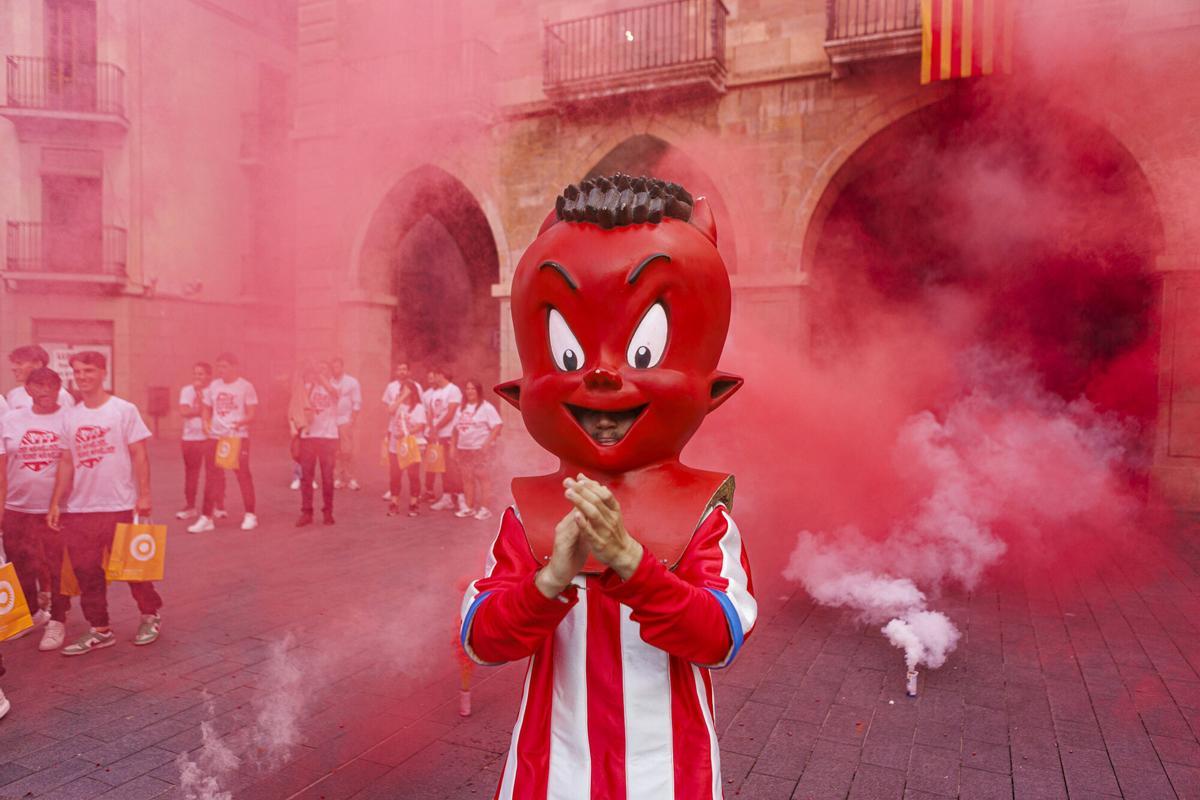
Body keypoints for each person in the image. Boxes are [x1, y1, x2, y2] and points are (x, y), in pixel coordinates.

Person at [460, 175, 755, 797]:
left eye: (642, 352)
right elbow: (481, 640)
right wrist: (549, 579)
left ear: (713, 390)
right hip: (550, 772)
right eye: (569, 355)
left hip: (667, 776)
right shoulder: (526, 516)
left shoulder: (706, 517)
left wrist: (631, 562)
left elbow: (719, 638)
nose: (599, 375)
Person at [48, 350, 163, 655]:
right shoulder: (71, 416)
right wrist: (57, 501)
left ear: (102, 373)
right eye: (77, 372)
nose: (82, 377)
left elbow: (139, 454)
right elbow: (66, 462)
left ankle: (150, 615)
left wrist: (145, 494)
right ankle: (100, 629)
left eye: (88, 371)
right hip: (80, 509)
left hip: (119, 505)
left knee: (133, 569)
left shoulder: (123, 410)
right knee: (86, 572)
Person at [1, 368, 71, 651]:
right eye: (38, 386)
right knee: (19, 564)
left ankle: (58, 619)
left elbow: (72, 464)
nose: (45, 391)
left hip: (54, 508)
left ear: (58, 388)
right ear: (27, 389)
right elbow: (2, 467)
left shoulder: (69, 418)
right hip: (17, 507)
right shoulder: (11, 420)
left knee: (56, 566)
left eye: (50, 385)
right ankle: (32, 614)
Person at [188, 352, 258, 533]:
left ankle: (250, 514)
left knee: (242, 475)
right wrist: (205, 422)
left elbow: (252, 414)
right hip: (216, 437)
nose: (221, 370)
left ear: (234, 367)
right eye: (219, 366)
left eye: (224, 366)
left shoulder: (245, 386)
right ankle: (206, 518)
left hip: (237, 437)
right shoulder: (214, 385)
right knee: (211, 477)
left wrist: (240, 423)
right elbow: (206, 407)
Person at [451, 379, 502, 521]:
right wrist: (453, 446)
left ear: (478, 391)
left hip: (479, 449)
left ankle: (485, 509)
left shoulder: (486, 407)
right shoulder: (462, 408)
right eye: (467, 389)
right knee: (467, 478)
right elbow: (455, 429)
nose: (470, 391)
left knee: (483, 478)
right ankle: (469, 507)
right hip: (464, 449)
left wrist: (487, 444)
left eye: (473, 389)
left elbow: (497, 425)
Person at [297, 362, 339, 527]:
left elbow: (334, 393)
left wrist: (320, 377)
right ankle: (306, 512)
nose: (320, 372)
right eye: (318, 368)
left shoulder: (334, 386)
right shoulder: (308, 387)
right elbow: (299, 405)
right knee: (306, 477)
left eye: (324, 369)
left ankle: (328, 511)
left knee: (327, 477)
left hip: (328, 438)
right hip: (309, 437)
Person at [176, 362, 217, 521]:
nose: (197, 377)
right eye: (195, 373)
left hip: (209, 437)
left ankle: (217, 506)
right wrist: (200, 410)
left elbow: (212, 412)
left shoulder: (213, 391)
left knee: (213, 474)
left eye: (201, 374)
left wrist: (199, 405)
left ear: (209, 376)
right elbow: (183, 411)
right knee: (191, 473)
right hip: (189, 438)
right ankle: (190, 506)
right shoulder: (186, 390)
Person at [425, 367, 466, 514]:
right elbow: (431, 413)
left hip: (450, 434)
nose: (433, 379)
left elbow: (451, 413)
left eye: (435, 375)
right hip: (438, 435)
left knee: (452, 467)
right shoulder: (436, 392)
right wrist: (432, 429)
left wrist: (436, 427)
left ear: (441, 375)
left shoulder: (453, 390)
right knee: (443, 468)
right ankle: (447, 496)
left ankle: (462, 498)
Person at [381, 361, 422, 502]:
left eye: (405, 369)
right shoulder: (391, 387)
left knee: (412, 469)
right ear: (396, 372)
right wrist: (402, 397)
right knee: (395, 466)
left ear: (408, 371)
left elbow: (420, 409)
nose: (402, 372)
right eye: (399, 369)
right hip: (395, 430)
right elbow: (388, 407)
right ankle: (393, 492)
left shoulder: (416, 386)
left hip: (411, 435)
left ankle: (414, 496)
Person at [386, 380, 426, 517]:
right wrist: (401, 397)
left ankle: (414, 503)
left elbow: (421, 425)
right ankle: (394, 502)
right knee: (395, 475)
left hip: (411, 446)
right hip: (395, 446)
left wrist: (405, 433)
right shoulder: (397, 405)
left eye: (407, 390)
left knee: (413, 475)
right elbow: (390, 410)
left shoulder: (419, 407)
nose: (405, 392)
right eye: (402, 389)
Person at [7, 345, 75, 411]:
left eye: (19, 363)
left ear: (38, 364)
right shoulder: (14, 394)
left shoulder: (60, 395)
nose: (13, 368)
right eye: (14, 364)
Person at [330, 358, 363, 491]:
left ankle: (351, 478)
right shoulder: (329, 382)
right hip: (332, 421)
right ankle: (337, 478)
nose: (335, 370)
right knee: (335, 451)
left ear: (342, 367)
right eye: (333, 367)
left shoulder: (352, 382)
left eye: (337, 367)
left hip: (346, 420)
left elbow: (357, 402)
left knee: (348, 451)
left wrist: (352, 420)